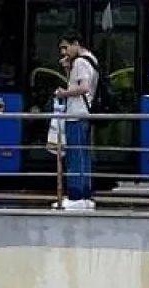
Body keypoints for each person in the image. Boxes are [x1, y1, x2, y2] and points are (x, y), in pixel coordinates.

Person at [52, 33, 99, 211]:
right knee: (83, 155)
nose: (64, 51)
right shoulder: (91, 60)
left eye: (66, 47)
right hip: (84, 114)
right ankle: (85, 195)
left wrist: (63, 93)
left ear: (76, 44)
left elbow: (83, 87)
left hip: (76, 114)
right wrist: (67, 70)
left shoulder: (80, 62)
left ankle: (76, 195)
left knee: (75, 156)